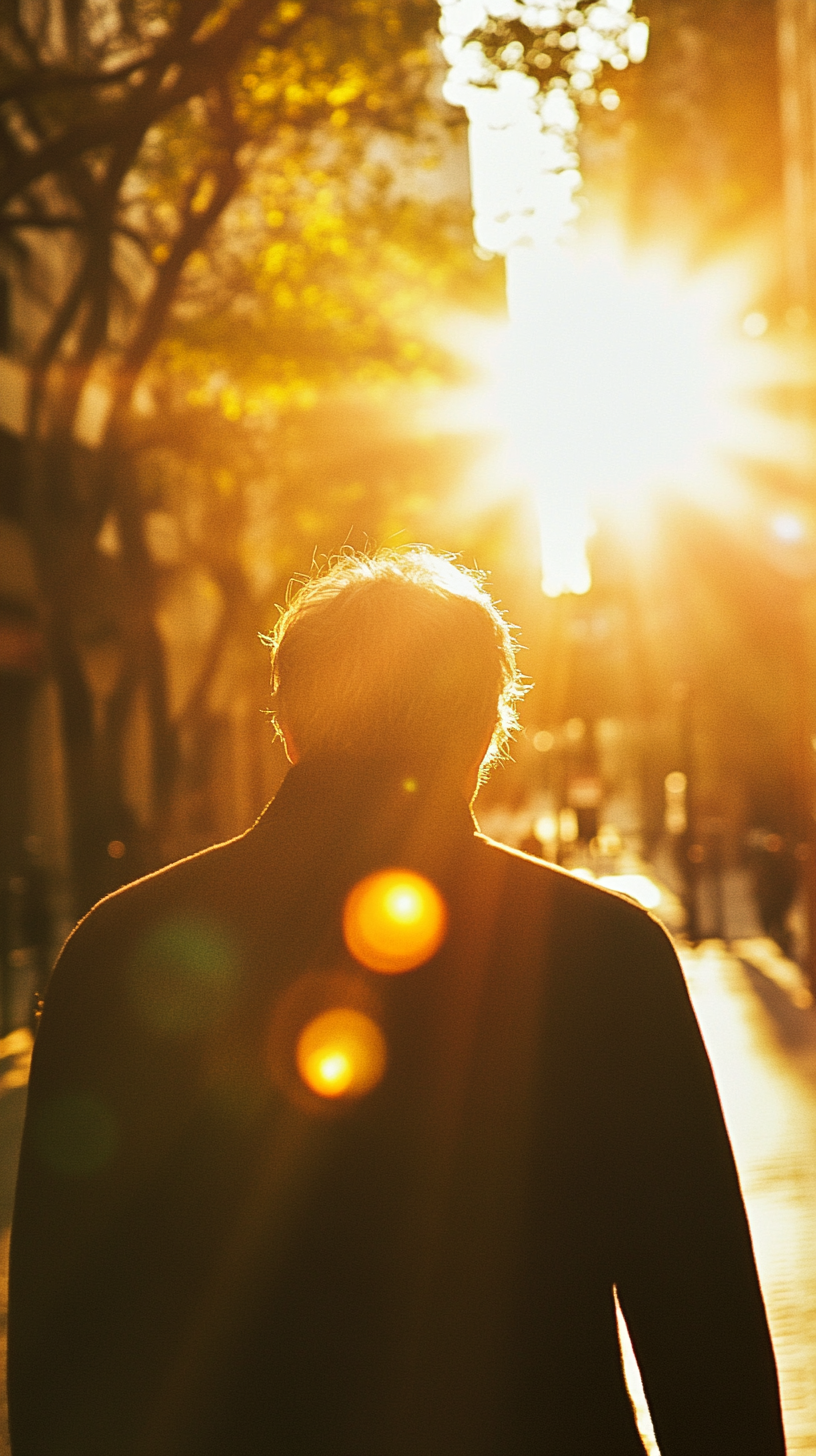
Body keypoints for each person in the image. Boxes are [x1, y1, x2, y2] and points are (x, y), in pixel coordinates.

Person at [8, 549, 785, 1456]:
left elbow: (61, 1336)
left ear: (287, 726)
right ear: (482, 738)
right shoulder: (603, 955)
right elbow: (701, 1323)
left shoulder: (115, 951)